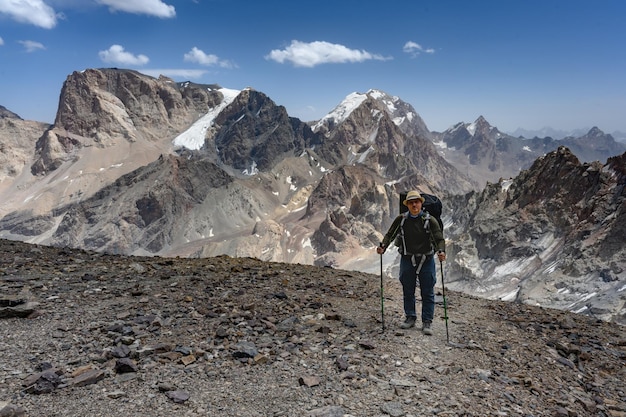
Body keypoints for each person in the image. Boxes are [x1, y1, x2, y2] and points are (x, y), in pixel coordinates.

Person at [376, 190, 446, 335]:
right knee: (408, 289)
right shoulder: (402, 219)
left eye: (417, 202)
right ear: (407, 204)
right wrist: (383, 246)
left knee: (427, 291)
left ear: (421, 203)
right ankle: (410, 317)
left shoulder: (429, 220)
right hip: (407, 258)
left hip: (426, 259)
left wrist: (441, 251)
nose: (414, 204)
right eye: (411, 202)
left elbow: (439, 238)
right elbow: (390, 234)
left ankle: (427, 321)